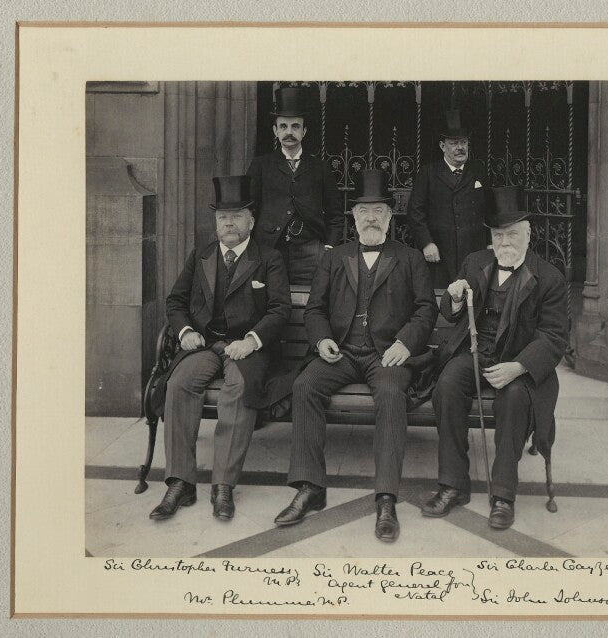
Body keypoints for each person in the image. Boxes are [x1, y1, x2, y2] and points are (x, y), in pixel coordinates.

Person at [274, 169, 437, 542]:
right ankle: (310, 487)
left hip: (387, 356)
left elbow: (426, 309)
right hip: (343, 352)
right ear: (353, 218)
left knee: (392, 395)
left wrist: (405, 344)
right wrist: (321, 341)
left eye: (379, 211)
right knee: (305, 386)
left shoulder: (409, 258)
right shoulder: (336, 257)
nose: (371, 219)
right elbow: (314, 309)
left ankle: (386, 497)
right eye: (363, 212)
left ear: (390, 217)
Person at [421, 186, 568, 530]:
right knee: (446, 387)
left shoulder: (549, 277)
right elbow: (450, 310)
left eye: (513, 234)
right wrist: (455, 299)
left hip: (519, 361)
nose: (505, 242)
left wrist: (518, 367)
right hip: (474, 352)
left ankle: (503, 495)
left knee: (515, 400)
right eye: (498, 234)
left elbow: (554, 336)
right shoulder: (476, 262)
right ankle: (453, 484)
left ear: (528, 234)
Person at [149, 175, 291, 522]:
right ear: (215, 223)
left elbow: (280, 309)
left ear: (251, 221)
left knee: (238, 389)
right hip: (204, 345)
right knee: (179, 384)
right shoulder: (202, 254)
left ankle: (222, 486)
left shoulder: (269, 258)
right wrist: (183, 331)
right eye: (222, 218)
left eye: (237, 216)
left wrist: (252, 340)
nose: (229, 223)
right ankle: (181, 482)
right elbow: (176, 301)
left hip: (247, 348)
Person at [247, 86, 344, 285]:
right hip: (270, 250)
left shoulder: (320, 167)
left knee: (314, 304)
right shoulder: (261, 165)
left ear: (304, 131)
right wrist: (255, 247)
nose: (289, 132)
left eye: (295, 126)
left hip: (311, 253)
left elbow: (335, 214)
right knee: (272, 303)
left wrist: (329, 247)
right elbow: (250, 209)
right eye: (283, 126)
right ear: (275, 130)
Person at [407, 109, 487, 288]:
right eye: (454, 143)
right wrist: (427, 243)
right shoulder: (428, 173)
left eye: (464, 142)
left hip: (473, 250)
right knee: (442, 299)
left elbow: (489, 209)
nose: (461, 147)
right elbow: (415, 211)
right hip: (440, 252)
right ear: (443, 146)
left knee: (474, 295)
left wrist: (490, 243)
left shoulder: (478, 170)